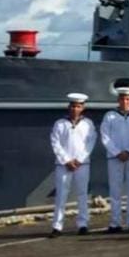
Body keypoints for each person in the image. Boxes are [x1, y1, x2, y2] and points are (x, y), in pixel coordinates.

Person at [100, 86, 129, 233]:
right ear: (118, 100)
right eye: (122, 98)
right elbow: (105, 136)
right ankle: (115, 222)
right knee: (115, 190)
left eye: (127, 99)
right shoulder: (110, 116)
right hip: (115, 158)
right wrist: (117, 152)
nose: (125, 101)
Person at [49, 93, 97, 237]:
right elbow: (55, 143)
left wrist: (79, 159)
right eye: (73, 106)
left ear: (83, 108)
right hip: (63, 165)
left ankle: (83, 224)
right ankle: (57, 226)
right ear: (69, 107)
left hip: (82, 164)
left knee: (82, 194)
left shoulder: (88, 124)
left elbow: (90, 142)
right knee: (61, 195)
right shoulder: (60, 123)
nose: (75, 109)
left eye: (78, 106)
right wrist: (66, 160)